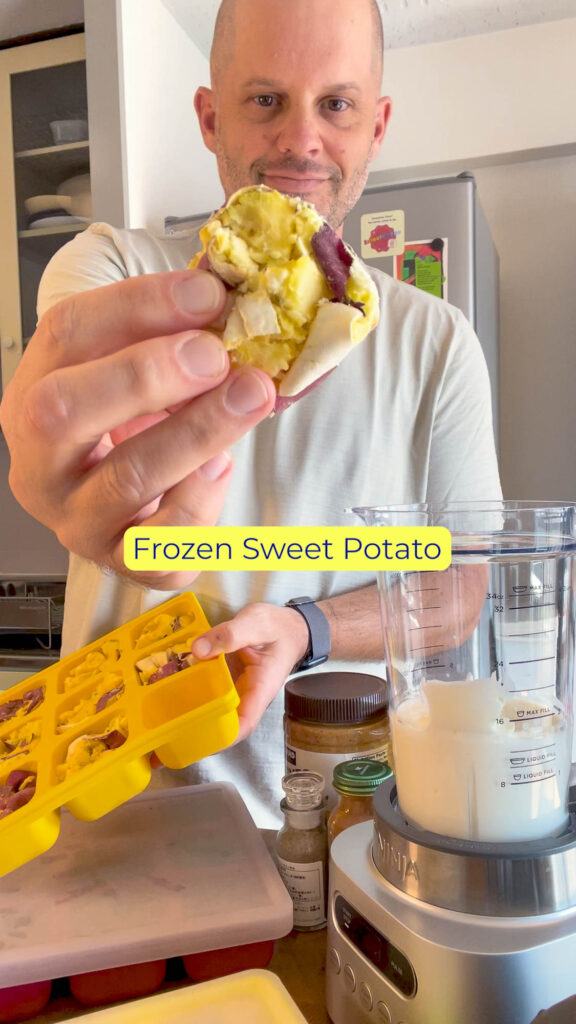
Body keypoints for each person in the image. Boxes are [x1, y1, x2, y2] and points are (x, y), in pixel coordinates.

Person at [0, 0, 501, 825]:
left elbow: (461, 586)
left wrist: (307, 629)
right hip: (115, 810)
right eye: (265, 100)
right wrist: (77, 476)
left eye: (335, 105)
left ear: (376, 126)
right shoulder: (111, 269)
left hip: (336, 818)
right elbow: (71, 401)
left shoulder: (439, 343)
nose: (302, 141)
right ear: (209, 117)